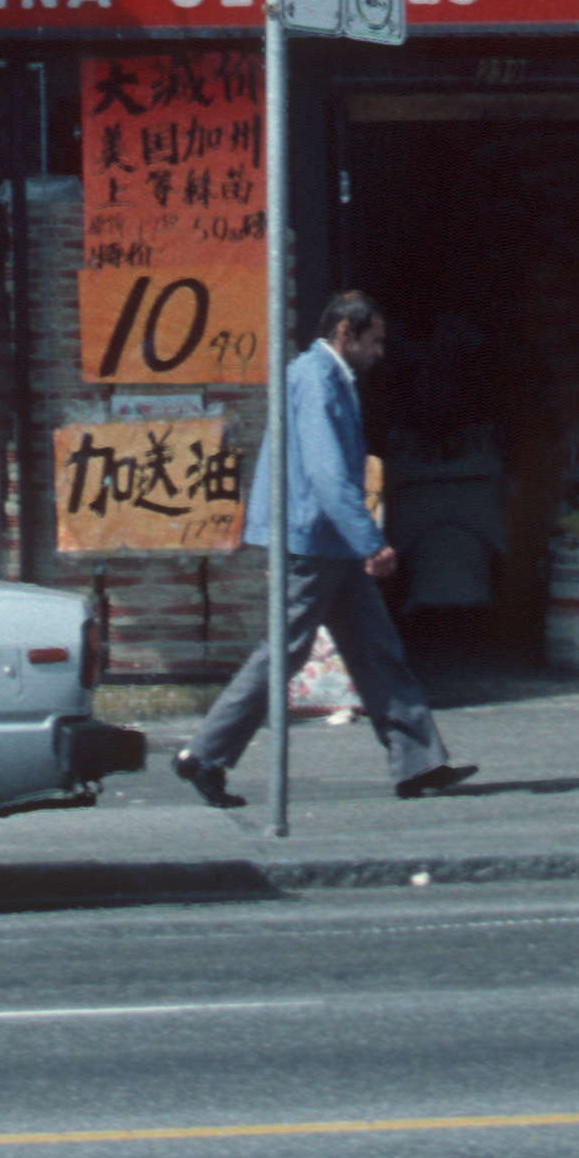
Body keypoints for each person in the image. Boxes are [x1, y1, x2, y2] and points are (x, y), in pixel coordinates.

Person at [173, 294, 479, 810]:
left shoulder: (326, 377)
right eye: (374, 340)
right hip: (313, 539)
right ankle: (205, 754)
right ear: (345, 331)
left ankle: (417, 761)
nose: (381, 352)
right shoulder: (317, 378)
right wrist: (370, 540)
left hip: (326, 540)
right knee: (284, 652)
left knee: (374, 648)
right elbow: (327, 472)